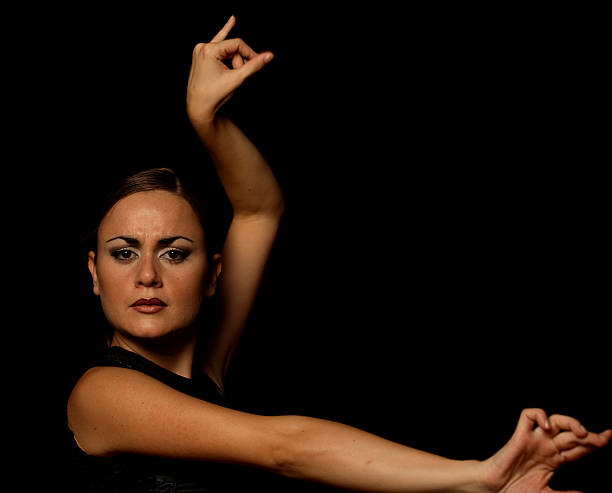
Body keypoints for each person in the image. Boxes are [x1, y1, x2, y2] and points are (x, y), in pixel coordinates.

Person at [67, 16, 610, 492]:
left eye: (174, 254)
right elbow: (286, 446)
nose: (146, 276)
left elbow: (259, 210)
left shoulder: (207, 369)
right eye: (123, 253)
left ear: (213, 276)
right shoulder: (103, 393)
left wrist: (207, 121)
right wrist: (478, 477)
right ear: (94, 273)